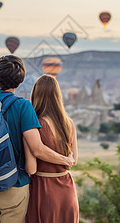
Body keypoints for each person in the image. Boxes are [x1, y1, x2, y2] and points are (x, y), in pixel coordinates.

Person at [0, 55, 75, 223]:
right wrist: (65, 160)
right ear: (20, 79)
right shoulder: (23, 106)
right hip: (14, 185)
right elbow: (37, 148)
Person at [25, 75, 79, 223]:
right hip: (67, 189)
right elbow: (74, 161)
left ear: (36, 95)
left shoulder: (34, 125)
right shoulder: (70, 123)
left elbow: (31, 169)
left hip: (44, 190)